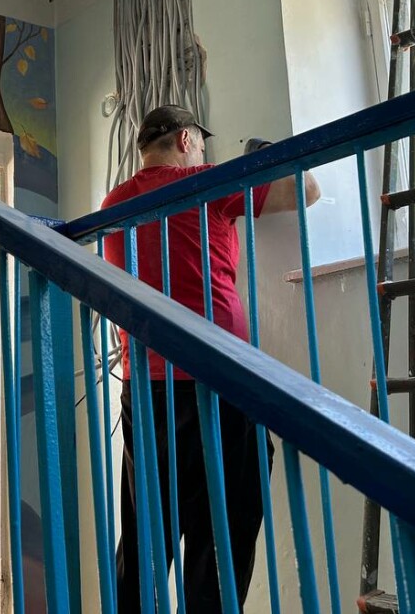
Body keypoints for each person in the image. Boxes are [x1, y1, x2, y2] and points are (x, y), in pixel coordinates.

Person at [102, 104, 320, 613]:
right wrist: (265, 157)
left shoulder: (114, 203)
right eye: (201, 144)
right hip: (217, 377)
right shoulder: (207, 183)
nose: (204, 153)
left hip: (146, 385)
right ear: (185, 141)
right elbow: (307, 191)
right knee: (226, 521)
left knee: (147, 528)